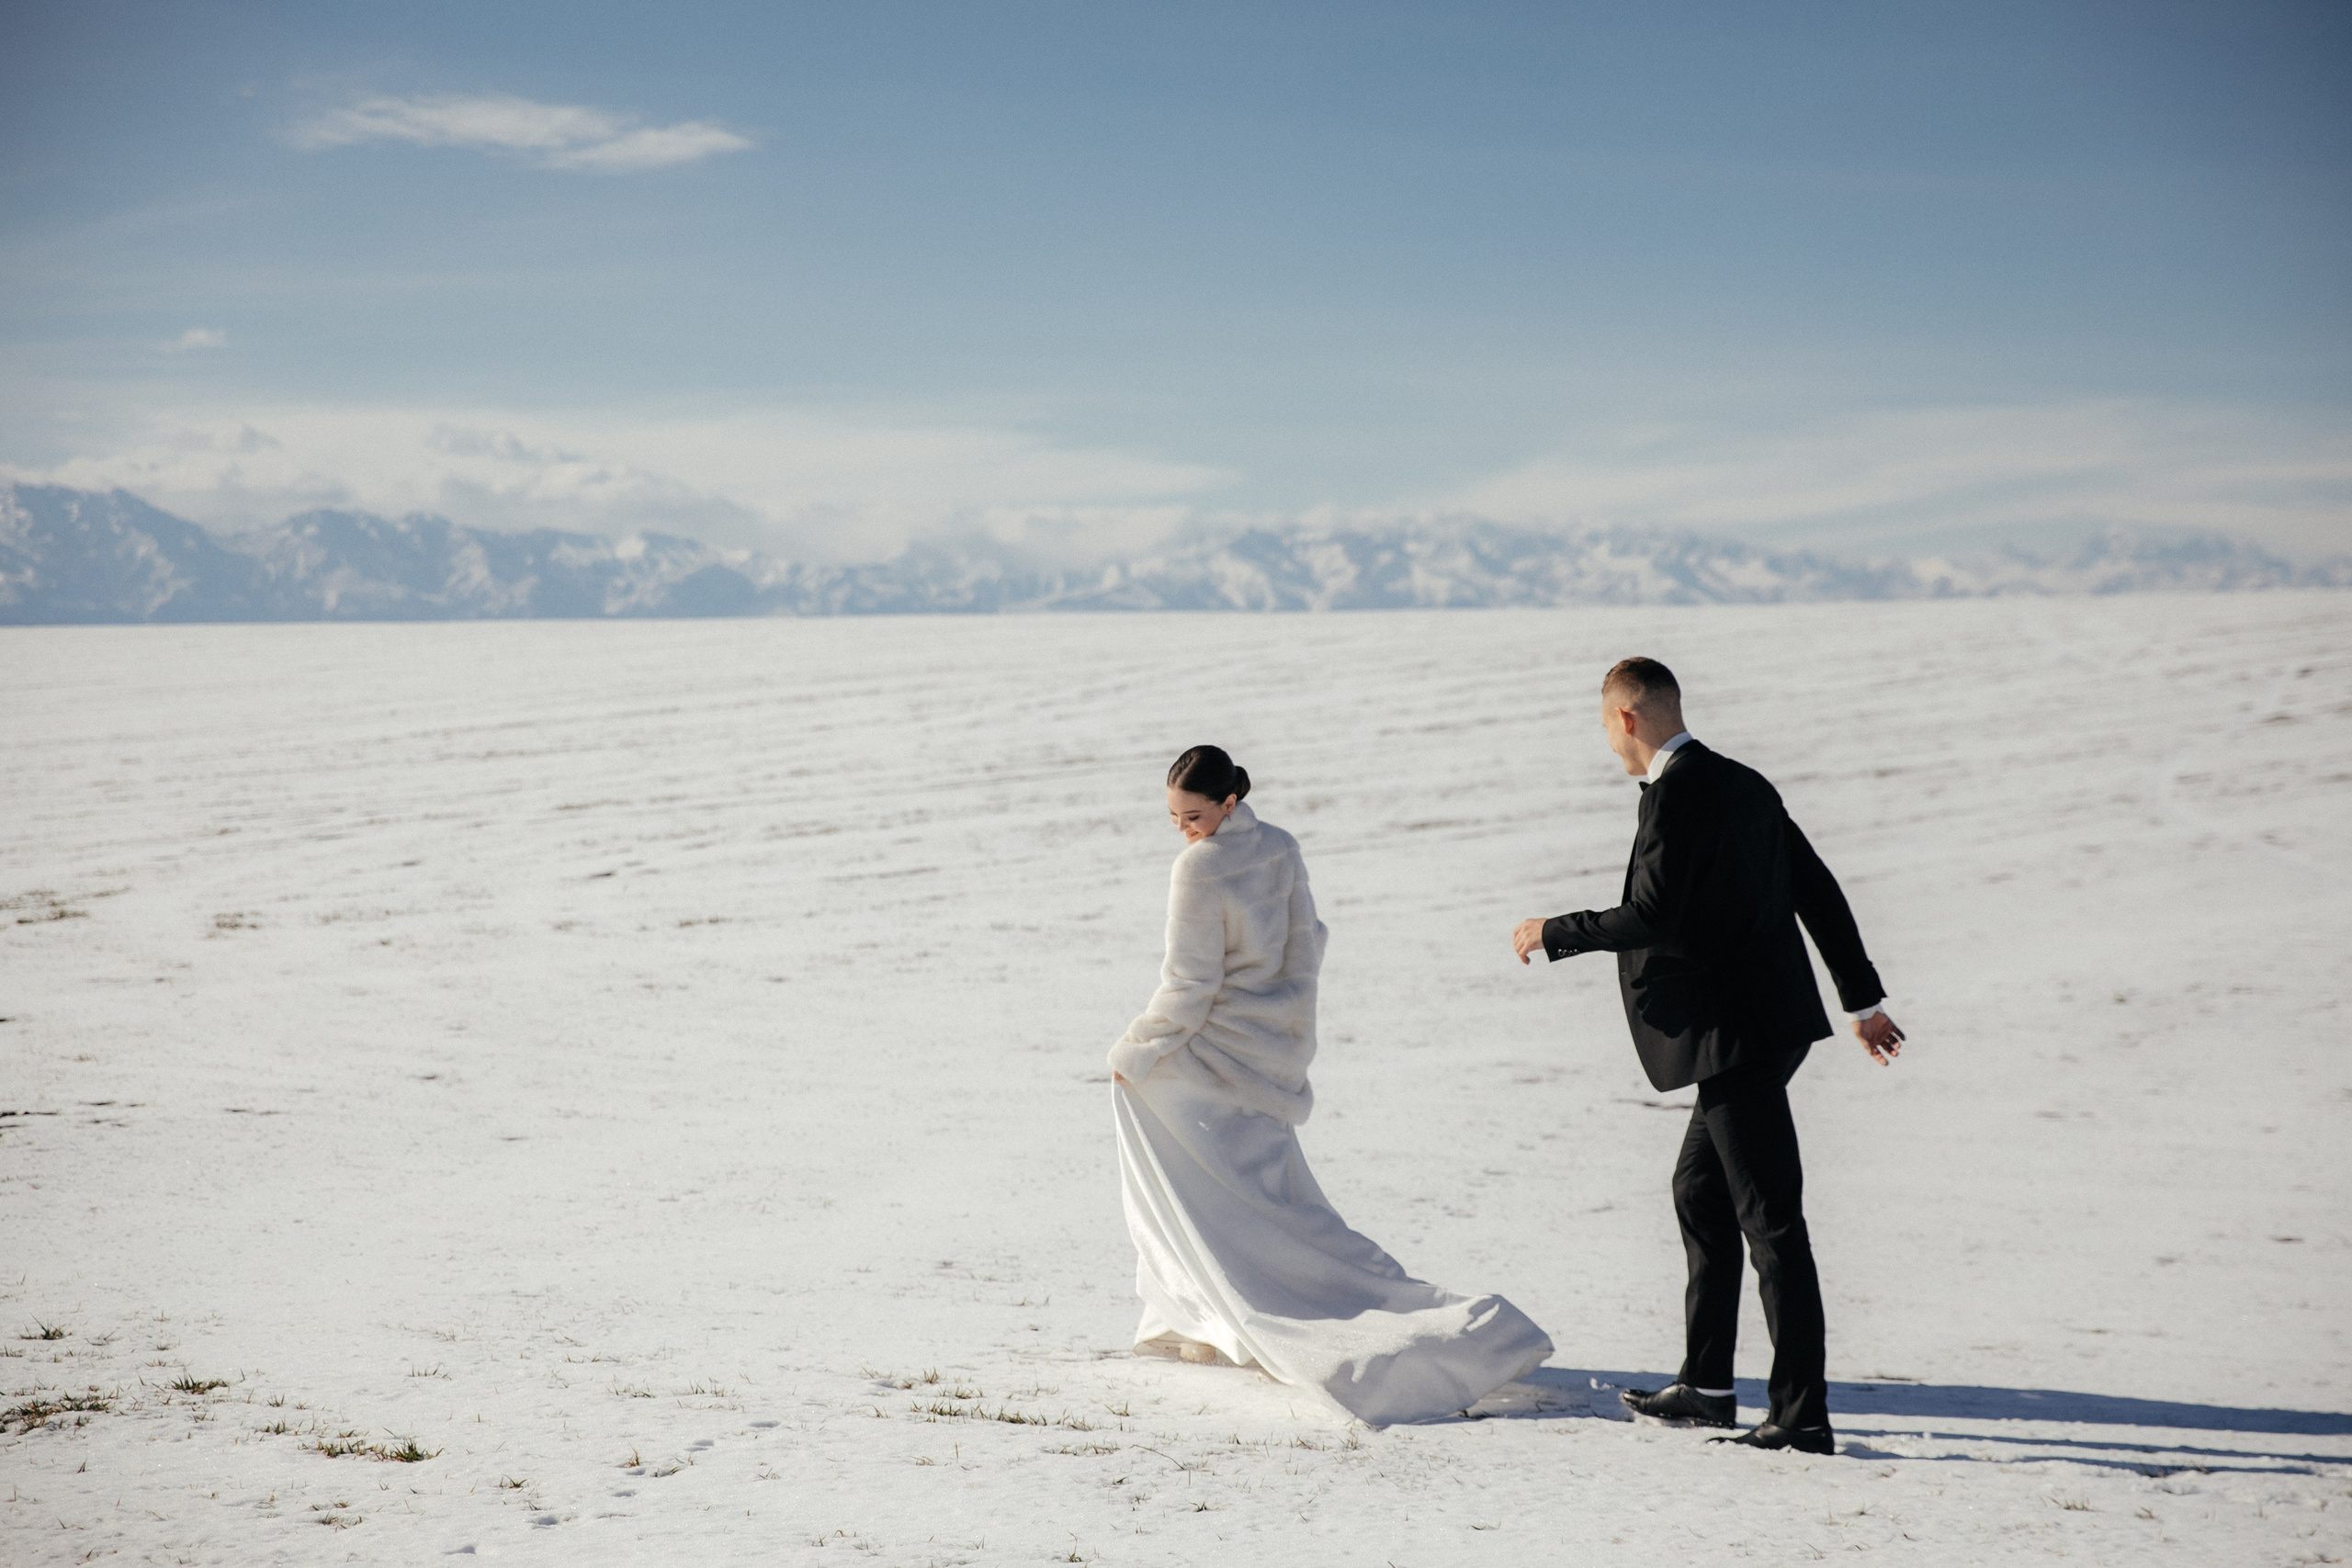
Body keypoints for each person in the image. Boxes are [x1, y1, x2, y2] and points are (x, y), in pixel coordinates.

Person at [1511, 659, 1902, 1456]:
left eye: (1605, 728)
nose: (1610, 747)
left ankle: (1801, 1414)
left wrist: (1556, 930)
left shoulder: (1678, 790)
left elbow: (1653, 911)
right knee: (1700, 1188)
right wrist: (1860, 1000)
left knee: (1772, 1219)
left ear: (1625, 717)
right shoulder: (1743, 781)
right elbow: (1817, 888)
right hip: (1768, 1025)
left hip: (1736, 1035)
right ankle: (1708, 1385)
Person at [1112, 744, 1554, 1426]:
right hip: (1275, 1053)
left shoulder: (1198, 868)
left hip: (1216, 1059)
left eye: (1192, 815)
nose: (1182, 829)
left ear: (1229, 803)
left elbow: (1189, 984)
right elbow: (1309, 940)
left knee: (1204, 1187)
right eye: (1173, 817)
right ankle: (1203, 1314)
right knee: (1273, 1199)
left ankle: (1213, 1310)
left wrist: (1136, 1050)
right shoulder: (1280, 846)